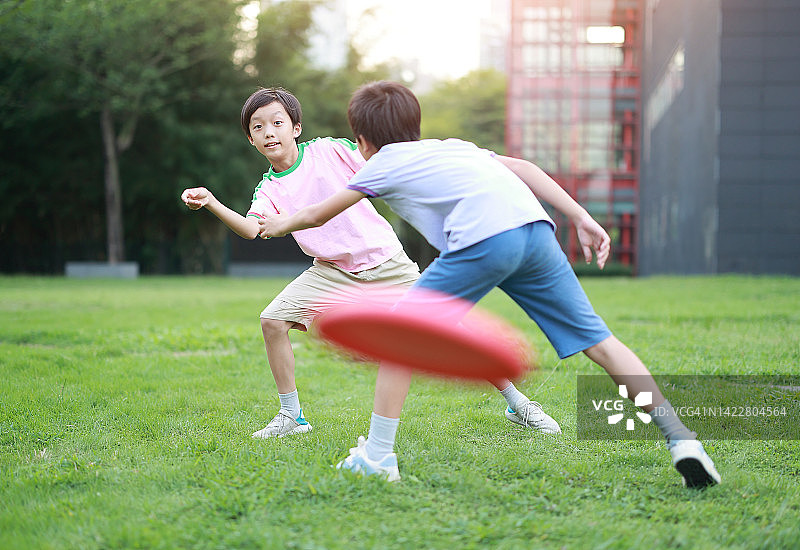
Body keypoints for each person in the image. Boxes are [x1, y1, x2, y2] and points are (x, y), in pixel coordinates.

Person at [257, 81, 721, 489]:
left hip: (485, 239)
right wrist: (581, 216)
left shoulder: (380, 164)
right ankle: (682, 439)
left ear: (362, 140)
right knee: (599, 341)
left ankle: (377, 458)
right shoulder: (453, 146)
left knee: (398, 339)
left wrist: (276, 225)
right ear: (415, 124)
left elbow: (315, 215)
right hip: (535, 231)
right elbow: (525, 168)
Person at [180, 86, 561, 440]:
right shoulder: (270, 188)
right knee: (272, 321)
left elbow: (383, 161)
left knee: (450, 329)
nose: (268, 132)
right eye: (258, 127)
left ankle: (519, 404)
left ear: (296, 128)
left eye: (277, 122)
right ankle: (291, 416)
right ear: (251, 139)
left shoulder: (329, 150)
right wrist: (211, 202)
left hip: (386, 262)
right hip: (331, 271)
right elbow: (252, 229)